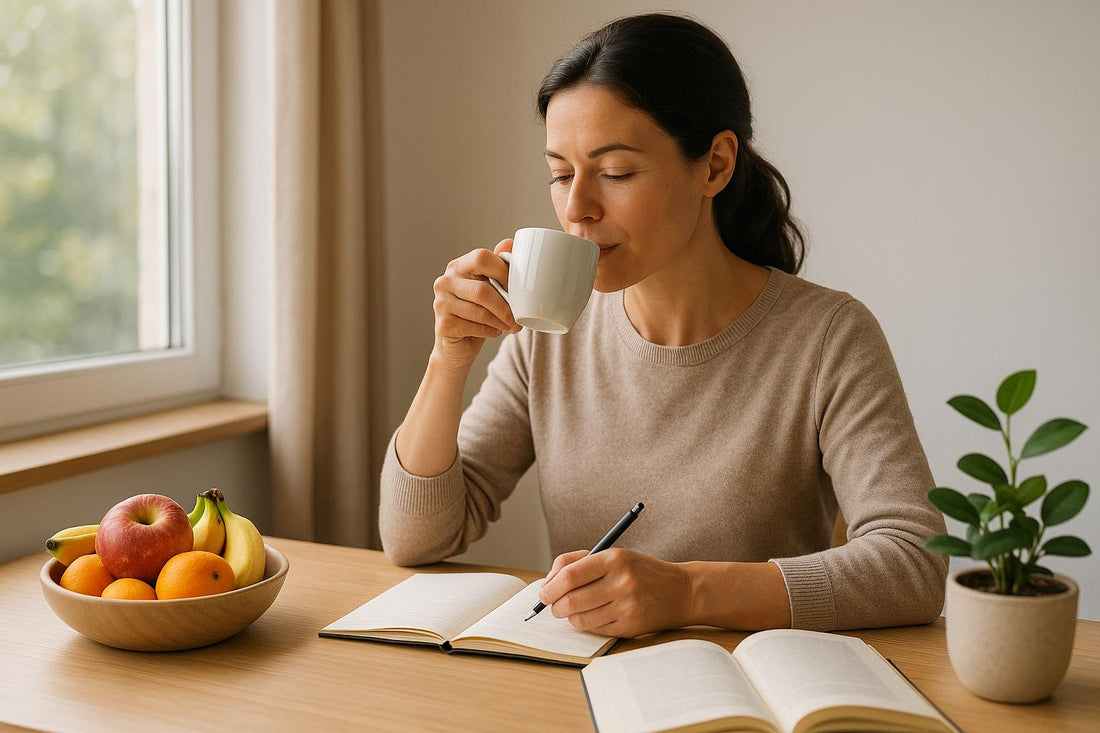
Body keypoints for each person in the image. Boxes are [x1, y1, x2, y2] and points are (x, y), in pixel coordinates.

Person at [379, 13, 947, 637]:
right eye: (561, 175)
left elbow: (915, 564)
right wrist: (447, 361)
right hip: (581, 686)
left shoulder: (828, 336)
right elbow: (416, 539)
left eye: (616, 172)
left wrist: (686, 592)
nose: (577, 210)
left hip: (753, 690)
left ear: (714, 165)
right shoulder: (549, 334)